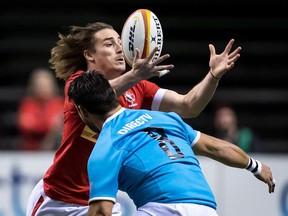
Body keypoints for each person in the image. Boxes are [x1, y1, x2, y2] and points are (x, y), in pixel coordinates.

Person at [26, 22, 241, 215]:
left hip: (101, 198)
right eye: (109, 44)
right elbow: (97, 94)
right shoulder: (78, 83)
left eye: (120, 42)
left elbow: (189, 106)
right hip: (57, 200)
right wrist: (135, 75)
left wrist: (213, 76)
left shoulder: (139, 89)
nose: (120, 48)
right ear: (90, 55)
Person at [68, 71, 275, 216]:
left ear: (82, 111)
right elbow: (216, 147)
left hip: (163, 209)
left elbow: (102, 212)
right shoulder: (166, 118)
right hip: (206, 209)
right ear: (114, 95)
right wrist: (255, 166)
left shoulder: (105, 146)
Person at [17, 68, 64, 151]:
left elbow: (62, 127)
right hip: (30, 151)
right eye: (40, 85)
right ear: (33, 86)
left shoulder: (58, 103)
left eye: (45, 85)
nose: (43, 89)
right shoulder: (28, 104)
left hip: (54, 151)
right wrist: (51, 126)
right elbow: (26, 125)